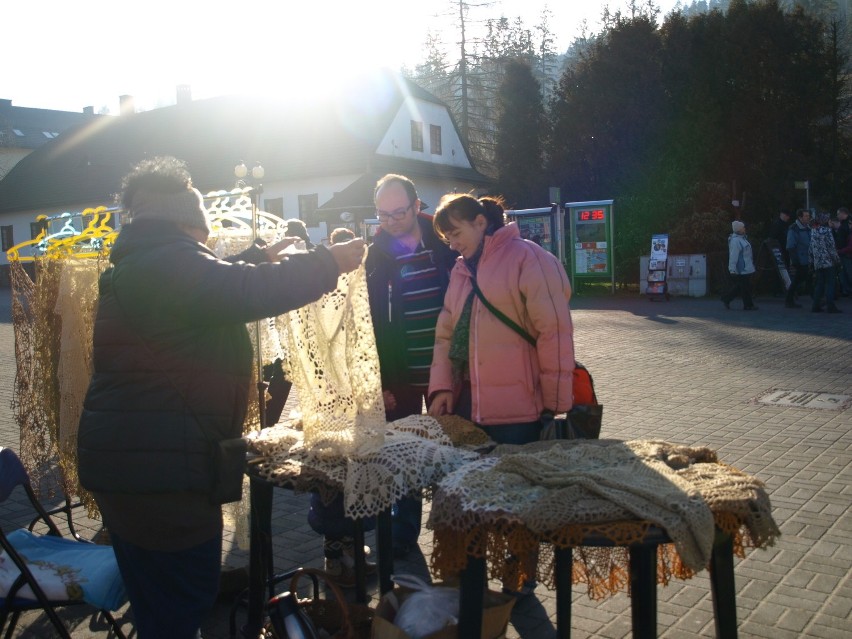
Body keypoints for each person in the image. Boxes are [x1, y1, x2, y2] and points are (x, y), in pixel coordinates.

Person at [76, 156, 365, 639]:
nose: (208, 241)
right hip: (163, 474)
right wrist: (325, 264)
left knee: (157, 601)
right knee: (181, 602)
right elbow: (238, 290)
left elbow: (208, 287)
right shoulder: (167, 262)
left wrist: (256, 256)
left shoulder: (149, 260)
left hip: (137, 464)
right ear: (189, 222)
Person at [426, 194, 574, 598]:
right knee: (467, 499)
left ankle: (520, 577)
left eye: (455, 232)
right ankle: (469, 578)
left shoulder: (530, 258)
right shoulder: (460, 272)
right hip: (468, 408)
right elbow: (444, 335)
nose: (452, 243)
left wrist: (556, 403)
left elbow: (554, 333)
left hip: (521, 411)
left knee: (517, 505)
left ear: (480, 222)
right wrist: (441, 388)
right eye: (446, 237)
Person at [365, 173, 457, 558]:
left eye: (398, 213)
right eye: (382, 215)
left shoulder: (444, 242)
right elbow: (369, 322)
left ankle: (454, 536)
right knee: (402, 456)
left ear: (417, 206)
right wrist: (380, 381)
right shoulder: (377, 254)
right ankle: (403, 539)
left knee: (448, 454)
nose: (390, 222)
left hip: (446, 373)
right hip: (400, 376)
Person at [809, 212, 842, 313]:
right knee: (830, 284)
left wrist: (811, 262)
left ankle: (815, 305)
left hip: (818, 263)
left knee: (819, 284)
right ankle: (830, 306)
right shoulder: (827, 231)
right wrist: (837, 261)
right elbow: (831, 248)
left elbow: (810, 249)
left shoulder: (813, 232)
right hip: (828, 262)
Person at [721, 221, 757, 311]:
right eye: (743, 227)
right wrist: (732, 269)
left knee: (741, 286)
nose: (744, 228)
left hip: (746, 267)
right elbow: (733, 255)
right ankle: (748, 305)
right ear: (739, 229)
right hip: (742, 268)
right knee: (744, 287)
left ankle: (727, 298)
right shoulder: (736, 241)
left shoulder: (742, 239)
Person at [785, 208, 812, 308]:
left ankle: (815, 299)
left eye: (808, 216)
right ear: (800, 217)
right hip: (800, 259)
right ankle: (789, 300)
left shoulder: (808, 227)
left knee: (806, 278)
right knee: (798, 279)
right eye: (806, 216)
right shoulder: (794, 229)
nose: (808, 218)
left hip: (807, 258)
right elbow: (790, 246)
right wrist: (795, 261)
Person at [835, 207, 852, 296]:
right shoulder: (843, 224)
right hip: (842, 252)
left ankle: (848, 290)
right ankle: (847, 291)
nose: (837, 216)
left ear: (843, 213)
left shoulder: (848, 224)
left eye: (838, 214)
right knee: (843, 274)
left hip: (846, 253)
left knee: (848, 273)